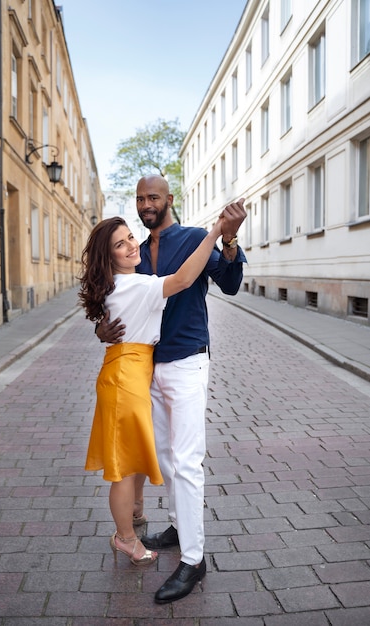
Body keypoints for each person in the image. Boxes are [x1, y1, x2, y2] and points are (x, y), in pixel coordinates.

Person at [97, 175, 247, 602]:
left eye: (153, 197)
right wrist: (101, 330)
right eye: (141, 198)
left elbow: (231, 283)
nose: (146, 204)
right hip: (148, 368)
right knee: (165, 456)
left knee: (185, 460)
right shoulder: (135, 253)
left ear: (169, 200)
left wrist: (229, 242)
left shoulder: (195, 238)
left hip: (185, 362)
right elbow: (120, 304)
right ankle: (181, 528)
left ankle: (194, 559)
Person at [78, 212, 225, 567]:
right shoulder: (134, 285)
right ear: (108, 256)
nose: (131, 245)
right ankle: (126, 538)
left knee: (135, 455)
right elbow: (186, 278)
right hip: (127, 377)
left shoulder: (123, 283)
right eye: (120, 243)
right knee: (124, 467)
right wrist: (216, 232)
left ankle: (136, 519)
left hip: (128, 370)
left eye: (131, 237)